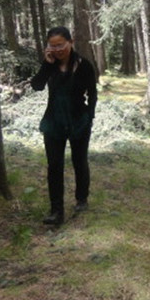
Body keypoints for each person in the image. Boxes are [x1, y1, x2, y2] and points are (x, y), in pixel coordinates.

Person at [30, 27, 98, 225]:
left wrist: (89, 117)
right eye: (53, 45)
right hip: (53, 121)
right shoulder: (50, 65)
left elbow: (93, 94)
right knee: (54, 166)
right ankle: (56, 211)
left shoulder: (84, 65)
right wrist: (46, 64)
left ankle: (81, 199)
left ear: (70, 42)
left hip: (79, 121)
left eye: (60, 45)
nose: (57, 49)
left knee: (79, 161)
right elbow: (36, 86)